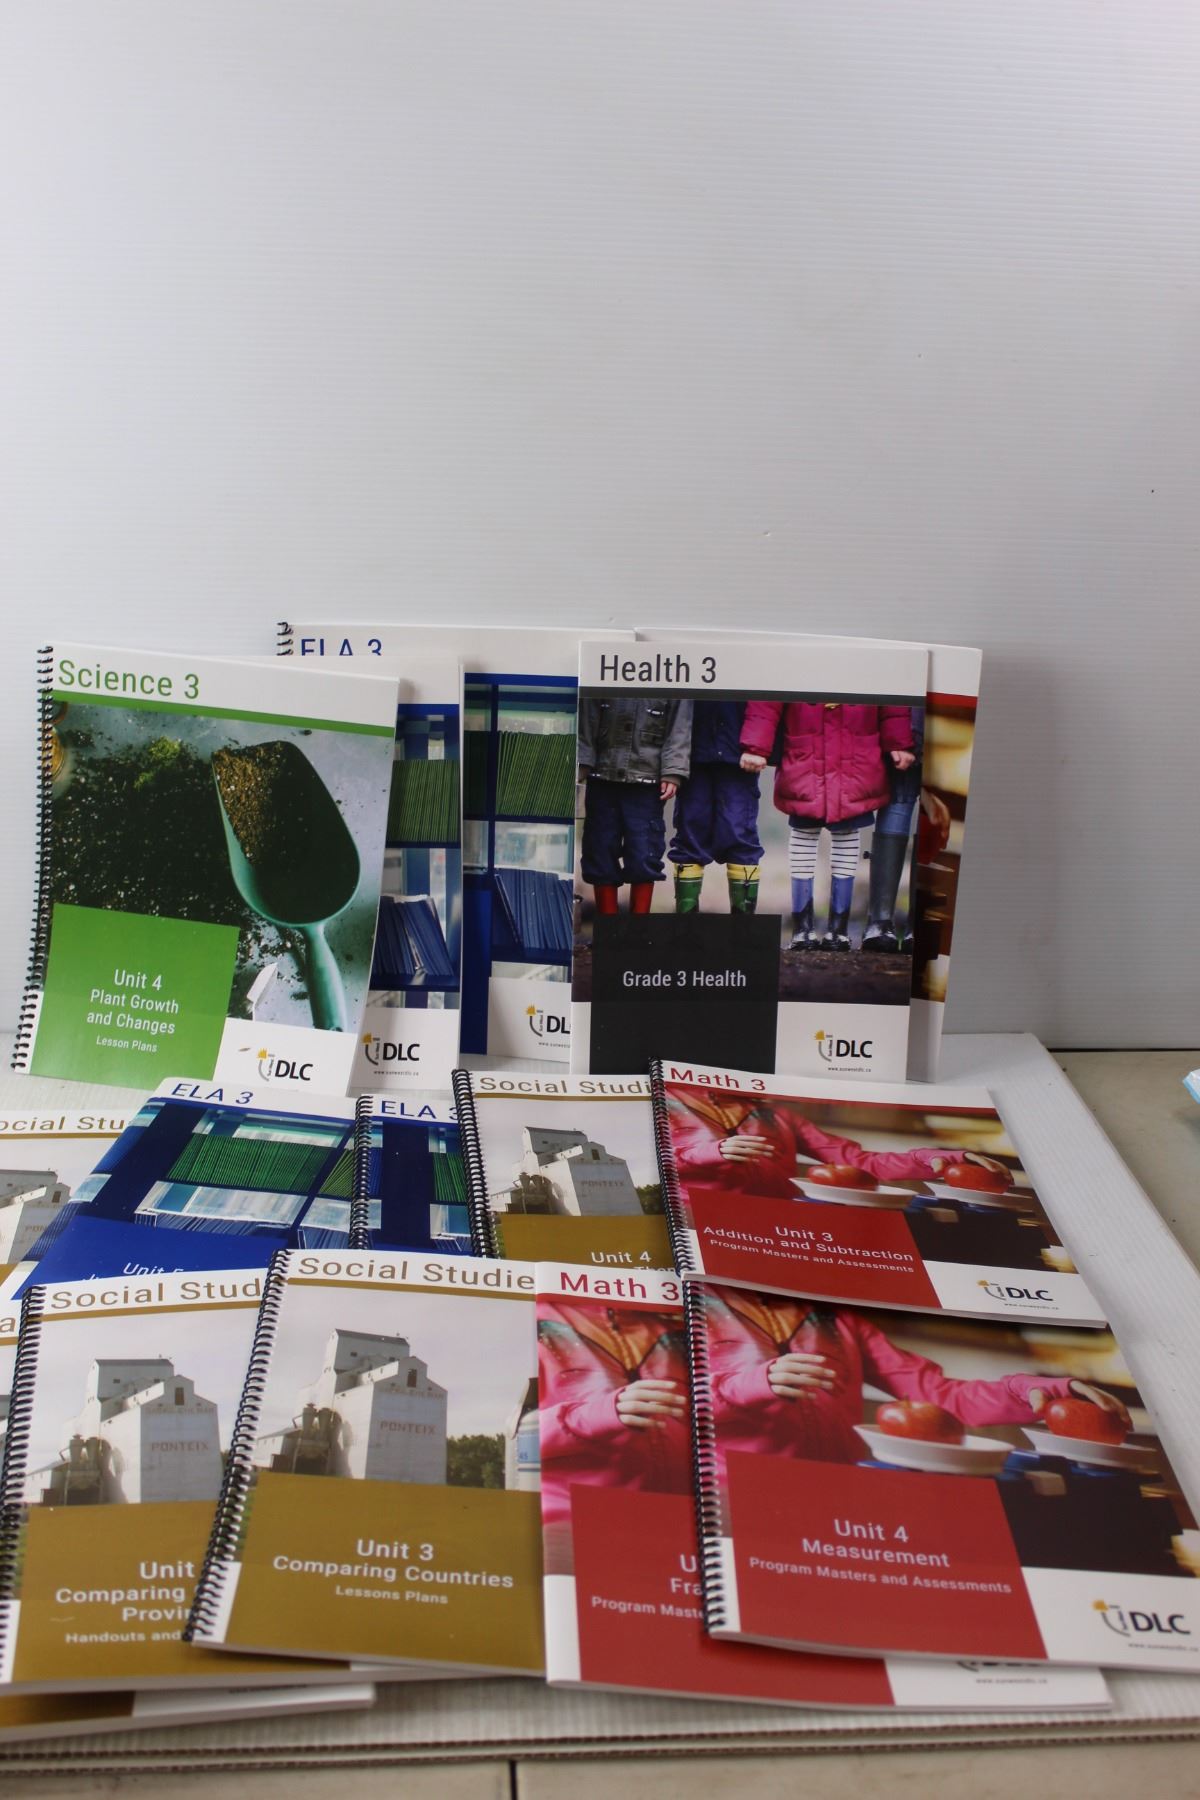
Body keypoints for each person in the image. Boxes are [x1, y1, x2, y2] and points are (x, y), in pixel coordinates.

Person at [701, 1288, 1131, 1470]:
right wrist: (751, 1384)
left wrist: (1038, 1389)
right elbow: (677, 1411)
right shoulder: (687, 1310)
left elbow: (941, 1395)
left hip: (843, 1487)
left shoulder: (841, 1320)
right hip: (736, 1494)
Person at [739, 700, 915, 951]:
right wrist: (756, 745)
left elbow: (891, 700)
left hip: (855, 752)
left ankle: (838, 930)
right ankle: (802, 928)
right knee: (804, 831)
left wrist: (898, 741)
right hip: (806, 750)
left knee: (847, 831)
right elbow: (766, 702)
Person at [537, 1300, 690, 1567]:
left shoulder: (675, 1324)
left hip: (675, 1522)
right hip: (572, 1520)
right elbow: (516, 1435)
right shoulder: (535, 1321)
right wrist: (600, 1413)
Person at [667, 1087, 1009, 1201]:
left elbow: (861, 1162)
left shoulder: (780, 1115)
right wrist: (709, 1152)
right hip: (699, 1220)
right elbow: (648, 1164)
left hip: (778, 1222)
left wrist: (949, 1157)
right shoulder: (665, 1100)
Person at [578, 695, 692, 915]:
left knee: (644, 854)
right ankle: (608, 926)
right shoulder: (603, 673)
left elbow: (680, 725)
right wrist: (582, 764)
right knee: (599, 851)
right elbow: (586, 718)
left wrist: (673, 771)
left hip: (648, 781)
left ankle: (639, 928)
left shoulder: (674, 676)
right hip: (601, 775)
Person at [666, 700, 764, 914]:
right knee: (689, 834)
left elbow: (764, 703)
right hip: (692, 751)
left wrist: (758, 744)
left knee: (740, 836)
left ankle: (744, 926)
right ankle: (685, 922)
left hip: (740, 753)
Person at [863, 704, 923, 953]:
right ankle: (881, 920)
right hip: (909, 731)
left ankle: (884, 923)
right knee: (901, 803)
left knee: (933, 816)